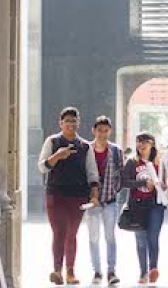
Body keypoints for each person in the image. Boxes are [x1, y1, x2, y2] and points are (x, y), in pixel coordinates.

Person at [38, 107, 100, 285]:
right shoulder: (52, 141)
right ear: (61, 123)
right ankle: (57, 270)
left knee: (72, 233)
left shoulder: (85, 147)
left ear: (78, 123)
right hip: (56, 194)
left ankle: (70, 271)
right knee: (59, 232)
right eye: (67, 121)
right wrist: (57, 156)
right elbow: (42, 166)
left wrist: (94, 195)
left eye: (74, 121)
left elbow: (92, 173)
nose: (71, 124)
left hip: (78, 196)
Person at [122, 132, 168, 285]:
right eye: (138, 142)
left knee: (153, 237)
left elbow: (166, 181)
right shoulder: (132, 162)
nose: (141, 145)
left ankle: (153, 268)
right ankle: (143, 272)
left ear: (152, 144)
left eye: (145, 142)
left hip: (155, 205)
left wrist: (162, 186)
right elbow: (124, 182)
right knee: (141, 240)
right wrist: (142, 183)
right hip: (137, 205)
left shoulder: (160, 162)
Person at [87, 116, 125, 285]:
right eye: (99, 130)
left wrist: (114, 190)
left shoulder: (116, 151)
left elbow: (121, 174)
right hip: (92, 201)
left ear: (110, 131)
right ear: (93, 131)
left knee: (110, 237)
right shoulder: (86, 150)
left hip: (110, 200)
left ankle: (111, 270)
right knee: (93, 237)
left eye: (106, 131)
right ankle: (97, 271)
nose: (102, 134)